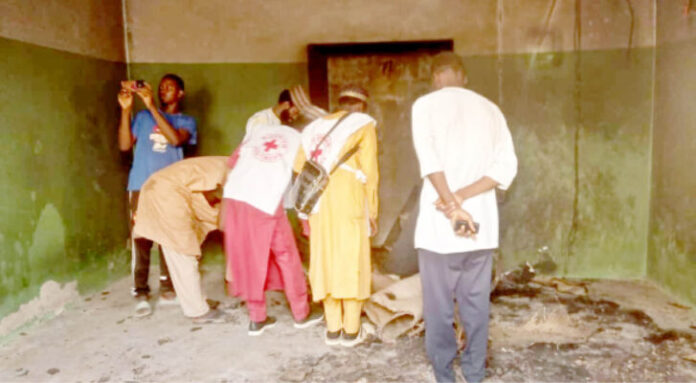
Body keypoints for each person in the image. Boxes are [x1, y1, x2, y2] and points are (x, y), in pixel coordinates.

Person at [411, 52, 518, 383]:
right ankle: (473, 373)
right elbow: (505, 168)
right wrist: (463, 198)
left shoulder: (425, 105)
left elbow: (430, 162)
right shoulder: (491, 110)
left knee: (439, 309)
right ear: (463, 76)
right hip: (480, 230)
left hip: (438, 232)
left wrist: (450, 202)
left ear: (436, 77)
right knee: (476, 306)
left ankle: (444, 375)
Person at [222, 114, 323, 336]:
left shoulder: (259, 133)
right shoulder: (302, 141)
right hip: (265, 200)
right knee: (286, 254)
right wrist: (307, 223)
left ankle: (257, 318)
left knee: (250, 256)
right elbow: (305, 181)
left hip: (235, 194)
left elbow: (231, 163)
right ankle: (301, 313)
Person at [293, 85, 379, 347]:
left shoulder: (313, 128)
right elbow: (371, 171)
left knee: (325, 258)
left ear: (340, 103)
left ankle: (333, 328)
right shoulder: (363, 125)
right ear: (362, 105)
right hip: (349, 197)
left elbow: (299, 166)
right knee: (351, 259)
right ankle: (351, 330)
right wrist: (372, 211)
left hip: (319, 200)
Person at [117, 74, 197, 317]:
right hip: (140, 185)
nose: (163, 91)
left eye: (169, 88)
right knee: (141, 240)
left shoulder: (186, 121)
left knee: (169, 237)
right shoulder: (141, 118)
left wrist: (150, 105)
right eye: (160, 88)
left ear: (180, 93)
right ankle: (140, 291)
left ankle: (167, 287)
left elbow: (174, 140)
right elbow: (124, 146)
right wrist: (126, 110)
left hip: (170, 188)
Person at [133, 156, 229, 324]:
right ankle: (197, 311)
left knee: (191, 244)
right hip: (167, 192)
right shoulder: (241, 171)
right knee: (183, 251)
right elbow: (225, 217)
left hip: (173, 190)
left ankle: (197, 299)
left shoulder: (235, 164)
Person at [245, 86, 326, 135]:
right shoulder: (260, 119)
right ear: (286, 104)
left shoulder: (285, 123)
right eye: (294, 112)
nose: (294, 118)